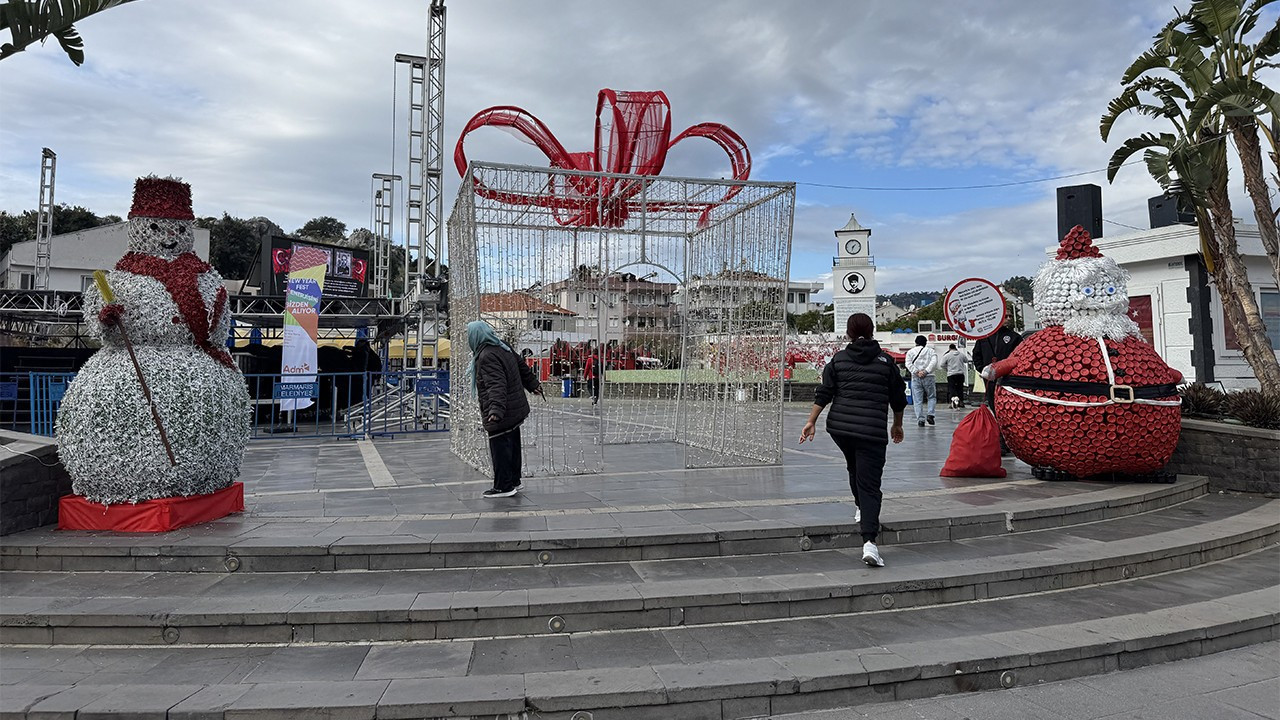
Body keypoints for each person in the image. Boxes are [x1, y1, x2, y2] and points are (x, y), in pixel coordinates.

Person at [800, 313, 906, 568]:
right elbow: (898, 397)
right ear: (872, 331)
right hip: (871, 431)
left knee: (854, 467)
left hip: (841, 429)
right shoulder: (886, 362)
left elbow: (825, 391)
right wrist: (897, 424)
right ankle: (870, 542)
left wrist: (811, 421)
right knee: (870, 484)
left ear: (848, 333)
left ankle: (860, 507)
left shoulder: (838, 359)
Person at [468, 321, 543, 498]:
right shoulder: (503, 347)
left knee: (500, 447)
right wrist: (533, 385)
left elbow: (496, 385)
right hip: (514, 408)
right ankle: (514, 480)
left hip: (503, 411)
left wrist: (495, 411)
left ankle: (503, 486)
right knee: (513, 444)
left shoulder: (487, 355)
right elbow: (522, 366)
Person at [972, 316, 1023, 454]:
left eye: (1008, 316)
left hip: (1008, 381)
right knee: (995, 409)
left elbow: (1020, 356)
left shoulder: (1014, 337)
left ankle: (1006, 441)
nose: (1007, 319)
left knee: (1005, 411)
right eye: (1004, 316)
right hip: (990, 380)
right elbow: (976, 355)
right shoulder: (984, 337)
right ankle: (999, 441)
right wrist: (983, 369)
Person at [905, 336, 938, 427]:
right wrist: (926, 371)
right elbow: (934, 362)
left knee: (917, 400)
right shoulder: (931, 351)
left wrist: (916, 371)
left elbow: (908, 363)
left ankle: (920, 419)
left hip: (916, 377)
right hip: (929, 376)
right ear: (925, 342)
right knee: (931, 397)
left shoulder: (910, 352)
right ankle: (930, 414)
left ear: (915, 342)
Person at [940, 343, 971, 408]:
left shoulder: (947, 355)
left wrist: (947, 369)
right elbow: (966, 361)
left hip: (951, 374)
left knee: (952, 389)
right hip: (960, 374)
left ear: (949, 348)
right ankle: (961, 402)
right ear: (955, 348)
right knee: (960, 388)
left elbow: (942, 364)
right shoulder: (961, 355)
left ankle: (953, 403)